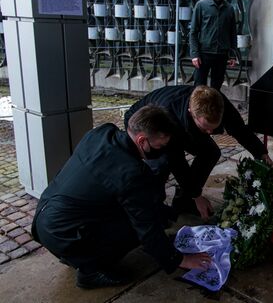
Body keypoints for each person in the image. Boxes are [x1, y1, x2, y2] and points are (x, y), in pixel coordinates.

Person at [32, 105, 211, 289]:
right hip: (63, 233)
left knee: (150, 213)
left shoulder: (102, 133)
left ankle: (76, 254)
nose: (162, 151)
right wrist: (180, 259)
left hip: (44, 218)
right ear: (142, 141)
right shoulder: (131, 173)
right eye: (160, 146)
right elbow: (146, 228)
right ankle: (89, 271)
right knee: (139, 228)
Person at [124, 85, 273, 221]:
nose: (210, 132)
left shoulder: (217, 103)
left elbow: (240, 129)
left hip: (183, 126)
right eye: (205, 128)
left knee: (210, 152)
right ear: (192, 112)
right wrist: (197, 195)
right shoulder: (170, 114)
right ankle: (152, 212)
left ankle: (184, 201)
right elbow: (177, 161)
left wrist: (262, 155)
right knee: (161, 165)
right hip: (144, 126)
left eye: (213, 127)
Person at [190, 0, 237, 90]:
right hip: (204, 54)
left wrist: (232, 55)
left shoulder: (229, 9)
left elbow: (232, 33)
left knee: (216, 88)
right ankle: (196, 109)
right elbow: (194, 32)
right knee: (199, 87)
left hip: (222, 55)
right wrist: (195, 54)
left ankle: (213, 109)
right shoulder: (201, 5)